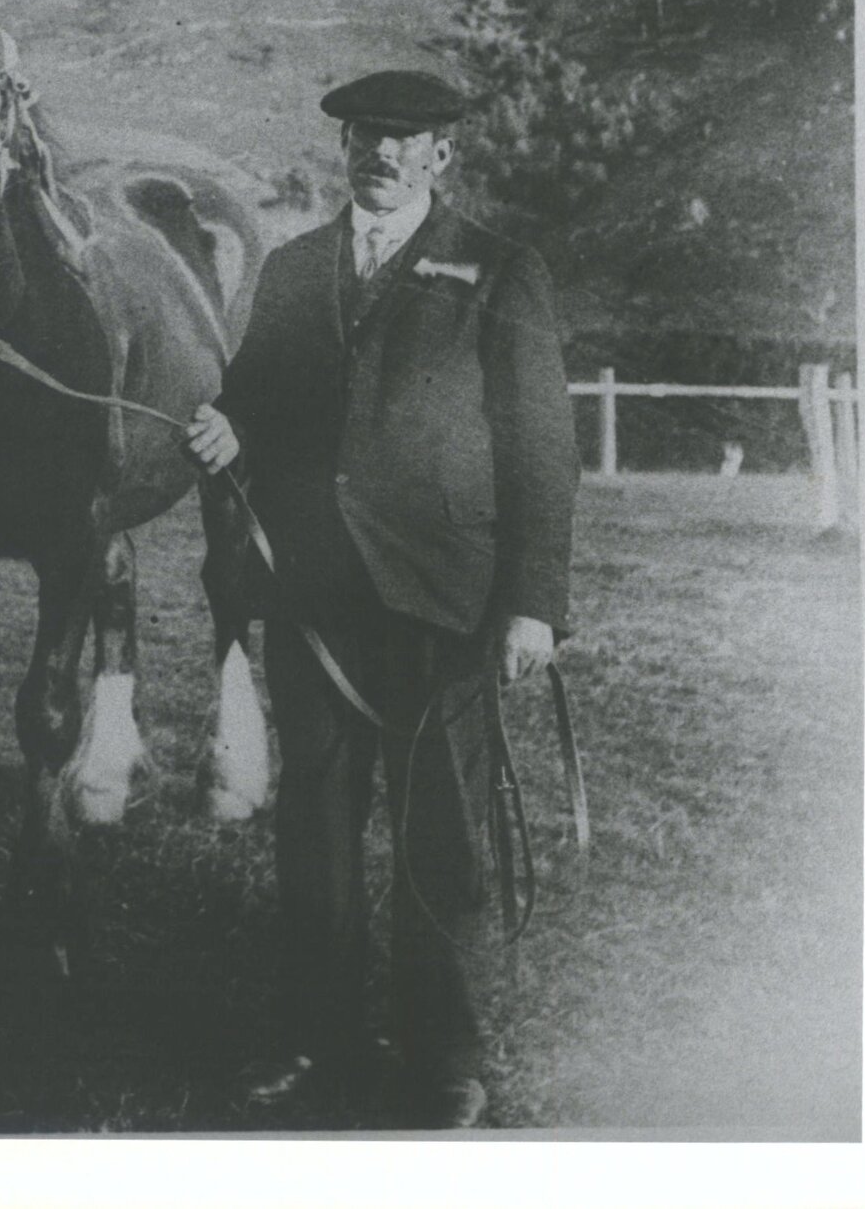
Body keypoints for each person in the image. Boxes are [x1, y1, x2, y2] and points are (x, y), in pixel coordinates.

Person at [185, 69, 578, 1129]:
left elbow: (541, 449)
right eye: (367, 134)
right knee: (312, 834)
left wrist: (530, 600)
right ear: (345, 146)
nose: (384, 153)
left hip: (442, 603)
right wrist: (231, 426)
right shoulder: (295, 267)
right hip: (314, 606)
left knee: (440, 838)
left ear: (441, 154)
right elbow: (254, 397)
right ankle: (314, 1039)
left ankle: (443, 1055)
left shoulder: (499, 272)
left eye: (406, 139)